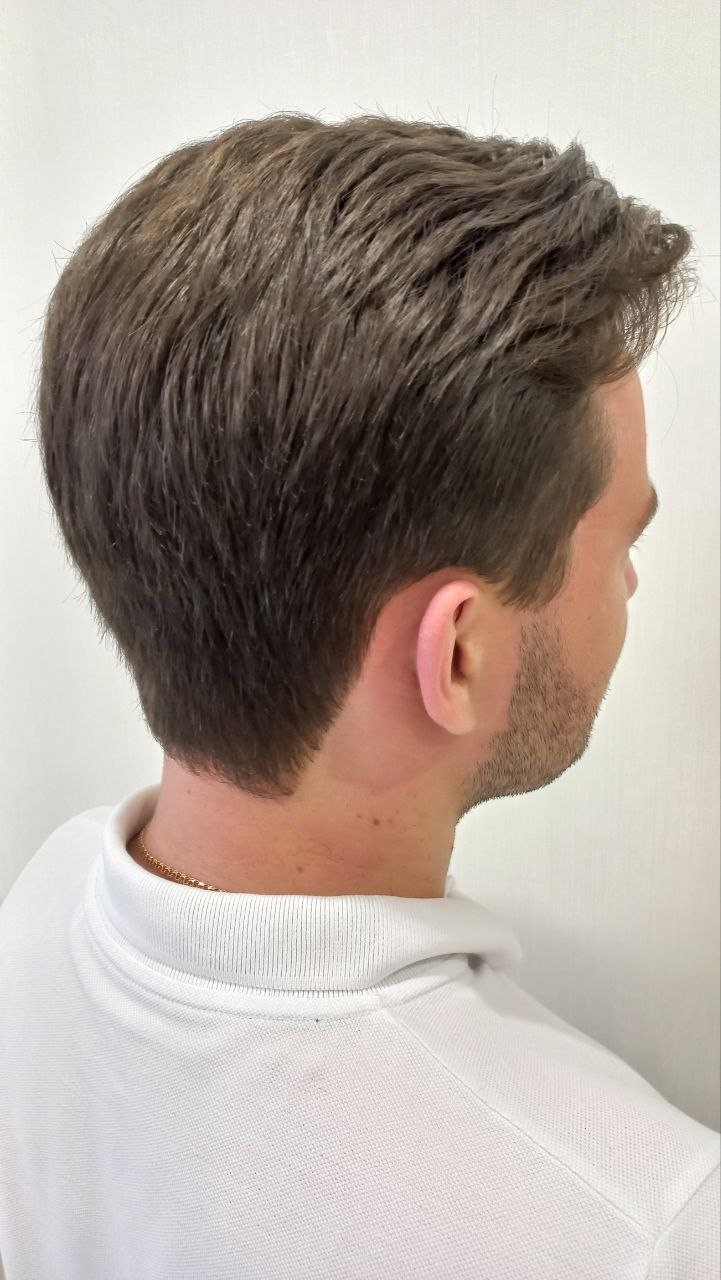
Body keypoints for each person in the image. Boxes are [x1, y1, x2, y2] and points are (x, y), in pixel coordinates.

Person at [1, 112, 718, 1279]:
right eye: (619, 540)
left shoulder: (44, 907)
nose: (631, 580)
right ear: (457, 657)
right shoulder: (643, 1226)